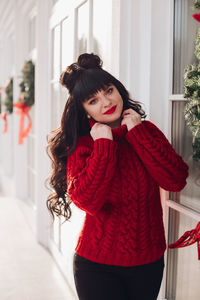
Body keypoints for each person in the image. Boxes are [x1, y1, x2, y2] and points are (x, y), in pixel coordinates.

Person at [46, 53, 189, 300]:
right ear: (84, 110)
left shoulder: (147, 132)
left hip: (148, 261)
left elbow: (175, 179)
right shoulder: (83, 145)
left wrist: (138, 133)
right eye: (93, 100)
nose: (106, 102)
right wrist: (103, 146)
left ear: (118, 89)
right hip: (96, 265)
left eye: (109, 91)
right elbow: (87, 201)